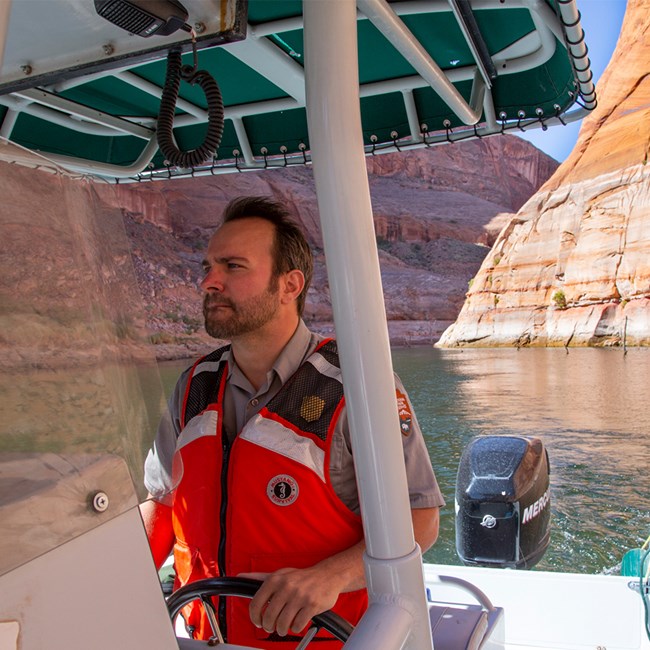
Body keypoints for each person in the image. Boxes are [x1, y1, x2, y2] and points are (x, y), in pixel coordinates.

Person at [141, 196, 445, 647]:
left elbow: (420, 521)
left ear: (290, 285)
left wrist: (328, 577)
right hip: (201, 636)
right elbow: (163, 505)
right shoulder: (193, 386)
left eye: (233, 266)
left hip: (322, 640)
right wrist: (108, 586)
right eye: (207, 267)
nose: (208, 281)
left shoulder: (359, 386)